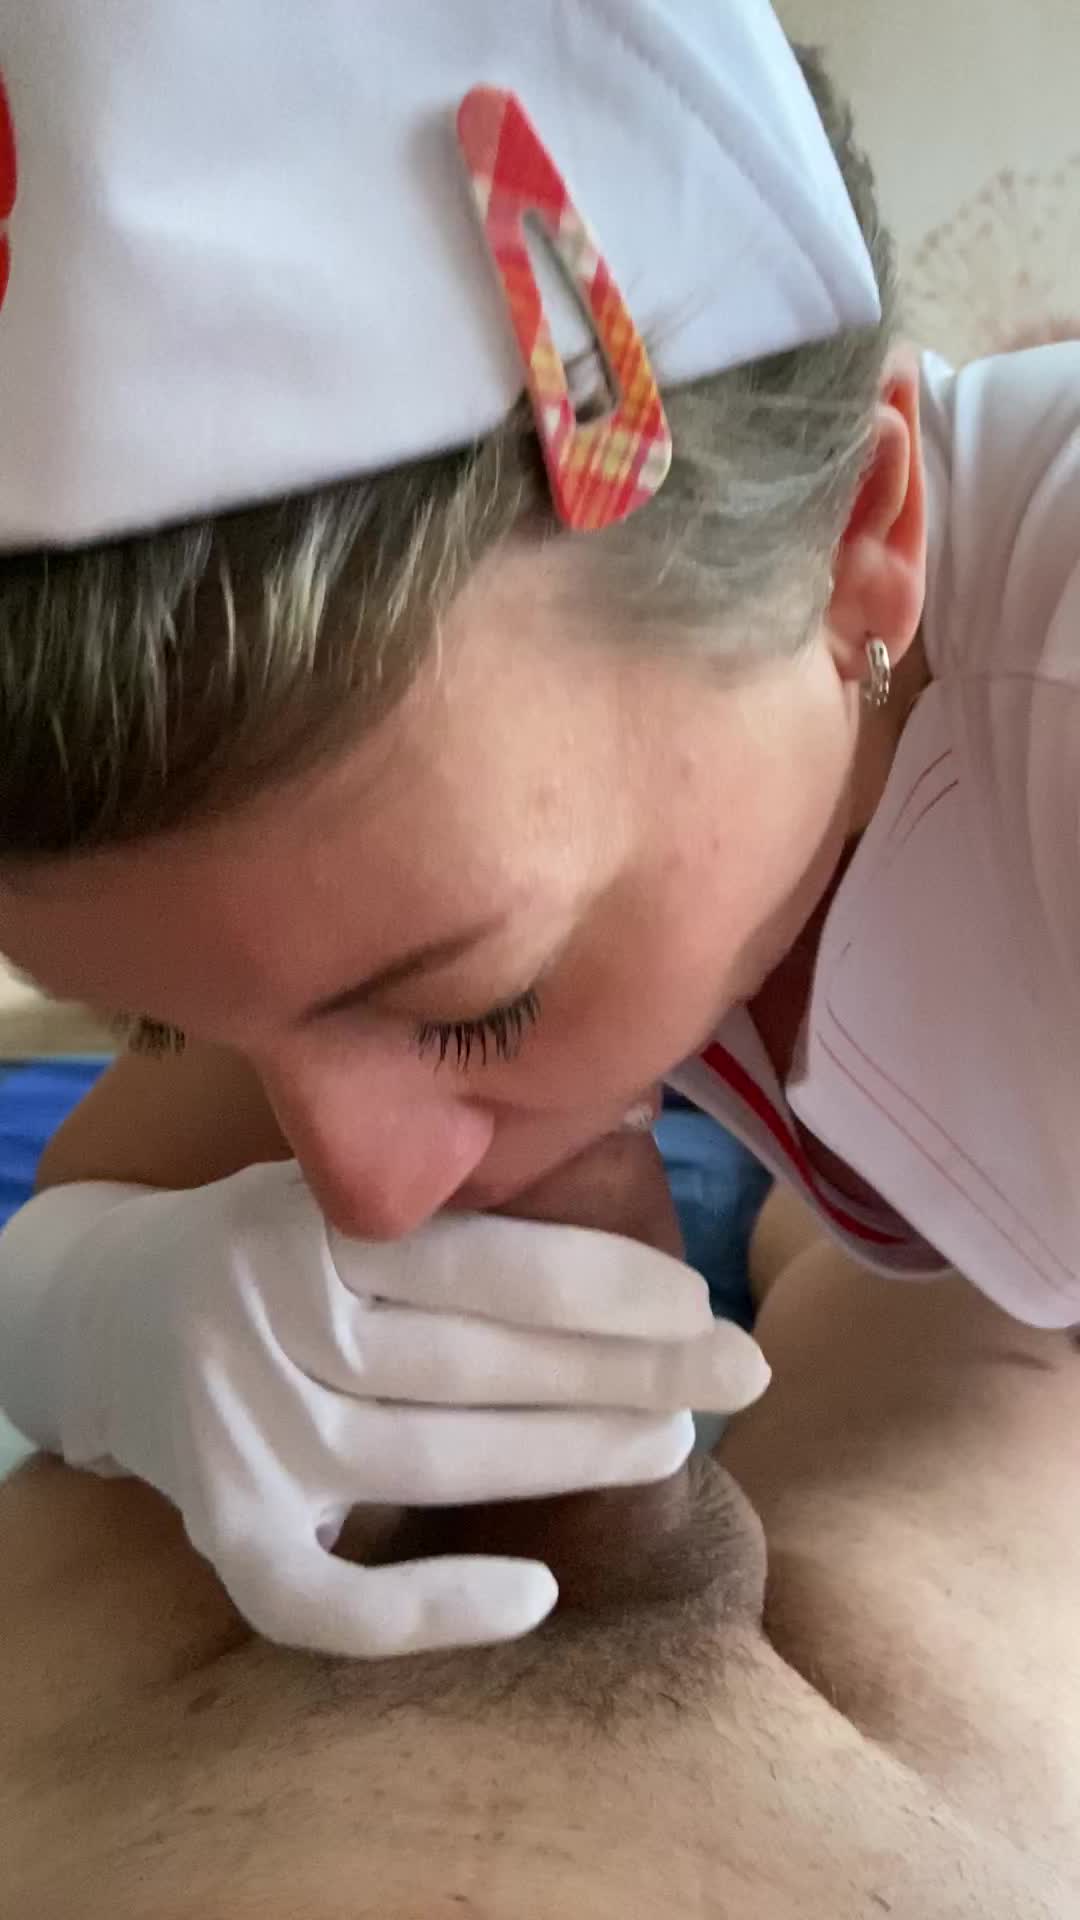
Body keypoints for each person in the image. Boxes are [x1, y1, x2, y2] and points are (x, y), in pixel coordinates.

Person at [1, 0, 1078, 1657]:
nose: (365, 1192)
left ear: (862, 543)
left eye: (472, 1005)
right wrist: (107, 1318)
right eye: (174, 1017)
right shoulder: (446, 849)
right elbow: (81, 1202)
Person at [3, 1179, 1079, 1916]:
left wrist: (78, 1291)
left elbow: (122, 1150)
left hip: (138, 1743)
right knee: (910, 1232)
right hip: (933, 1779)